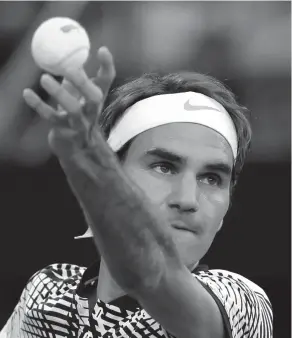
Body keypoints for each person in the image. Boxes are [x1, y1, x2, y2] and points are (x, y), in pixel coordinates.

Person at [0, 46, 273, 338]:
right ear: (113, 173)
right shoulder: (44, 295)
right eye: (164, 167)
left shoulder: (243, 304)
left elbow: (149, 276)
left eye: (211, 178)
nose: (187, 199)